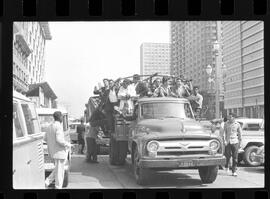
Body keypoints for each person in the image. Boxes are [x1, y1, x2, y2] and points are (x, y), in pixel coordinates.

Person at [44, 111, 71, 189]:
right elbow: (59, 140)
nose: (62, 118)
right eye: (62, 117)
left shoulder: (49, 126)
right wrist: (68, 144)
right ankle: (58, 187)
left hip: (52, 152)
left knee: (58, 169)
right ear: (59, 117)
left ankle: (47, 182)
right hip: (59, 152)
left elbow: (45, 138)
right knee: (60, 172)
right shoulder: (58, 126)